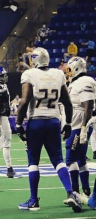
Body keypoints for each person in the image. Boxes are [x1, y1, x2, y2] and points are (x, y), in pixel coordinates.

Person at [16, 48, 81, 212]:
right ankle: (70, 192)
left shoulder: (30, 74)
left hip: (36, 122)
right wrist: (67, 124)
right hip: (53, 121)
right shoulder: (58, 74)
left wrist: (18, 125)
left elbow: (24, 102)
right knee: (58, 160)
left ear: (35, 60)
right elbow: (67, 103)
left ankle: (33, 200)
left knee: (33, 162)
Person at [64, 56, 95, 199]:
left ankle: (75, 192)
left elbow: (88, 107)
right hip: (76, 125)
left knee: (70, 159)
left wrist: (83, 129)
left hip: (79, 126)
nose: (69, 72)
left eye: (70, 69)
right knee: (81, 159)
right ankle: (86, 192)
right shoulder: (76, 82)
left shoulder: (84, 81)